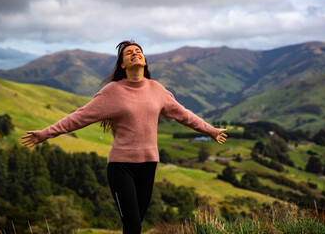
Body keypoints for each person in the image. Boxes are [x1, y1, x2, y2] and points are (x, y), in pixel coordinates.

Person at [21, 40, 227, 234]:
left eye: (138, 51)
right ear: (122, 64)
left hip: (149, 164)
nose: (135, 54)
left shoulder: (157, 90)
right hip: (121, 167)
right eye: (129, 53)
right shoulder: (111, 92)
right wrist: (45, 133)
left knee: (136, 224)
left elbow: (185, 115)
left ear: (144, 61)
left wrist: (211, 130)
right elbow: (78, 118)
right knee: (133, 224)